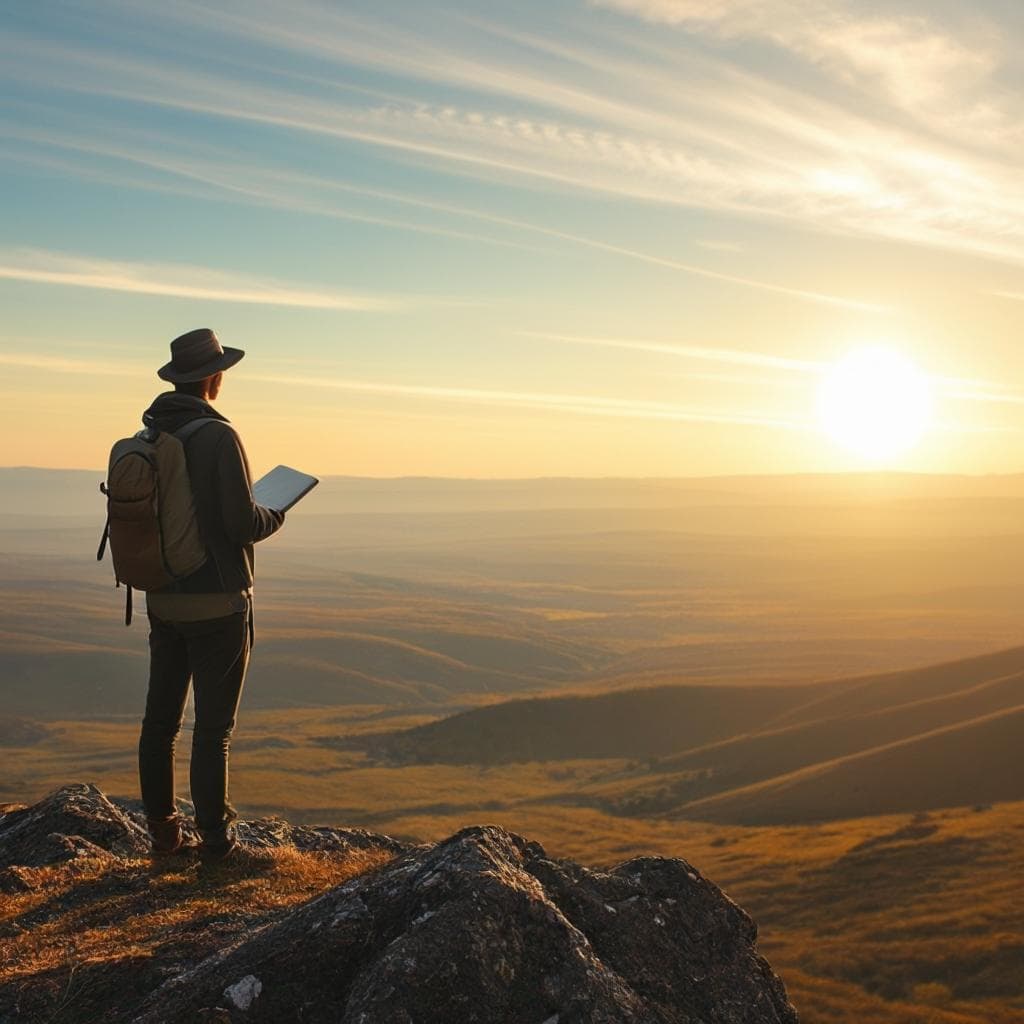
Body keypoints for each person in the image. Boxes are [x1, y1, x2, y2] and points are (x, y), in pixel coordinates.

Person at [137, 328, 284, 863]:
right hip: (217, 603)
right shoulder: (218, 437)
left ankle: (163, 835)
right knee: (213, 730)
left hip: (161, 598)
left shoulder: (152, 434)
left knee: (160, 722)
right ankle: (217, 844)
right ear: (214, 377)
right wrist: (277, 512)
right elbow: (241, 523)